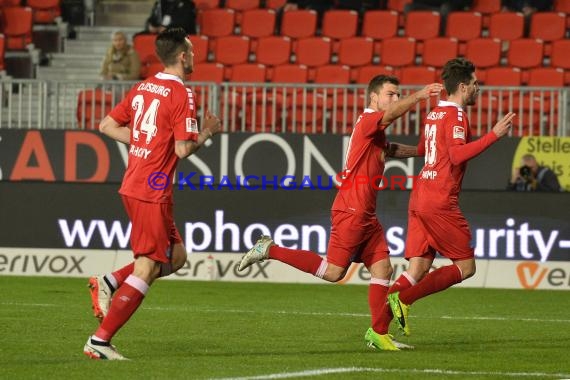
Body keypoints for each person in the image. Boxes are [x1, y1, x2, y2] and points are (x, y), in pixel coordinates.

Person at [238, 75, 443, 351]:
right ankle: (269, 249)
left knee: (383, 267)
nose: (395, 99)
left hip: (366, 214)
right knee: (334, 272)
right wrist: (418, 96)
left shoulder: (375, 130)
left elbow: (389, 149)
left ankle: (378, 333)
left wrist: (422, 151)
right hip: (351, 210)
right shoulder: (370, 119)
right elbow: (393, 115)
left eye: (397, 95)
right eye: (391, 94)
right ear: (374, 97)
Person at [84, 27, 222, 360]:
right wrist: (207, 131)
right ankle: (100, 341)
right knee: (146, 268)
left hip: (137, 182)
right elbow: (184, 149)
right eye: (191, 50)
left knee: (176, 257)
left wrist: (144, 141)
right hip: (151, 190)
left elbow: (106, 125)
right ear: (183, 56)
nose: (194, 55)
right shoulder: (182, 94)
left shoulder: (143, 87)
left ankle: (110, 281)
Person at [375, 58, 515, 345]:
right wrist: (494, 135)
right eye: (475, 84)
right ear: (463, 87)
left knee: (418, 270)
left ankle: (377, 331)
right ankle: (405, 299)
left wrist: (397, 151)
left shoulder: (435, 113)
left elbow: (429, 151)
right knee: (466, 267)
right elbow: (456, 155)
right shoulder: (457, 116)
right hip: (439, 200)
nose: (478, 88)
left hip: (420, 195)